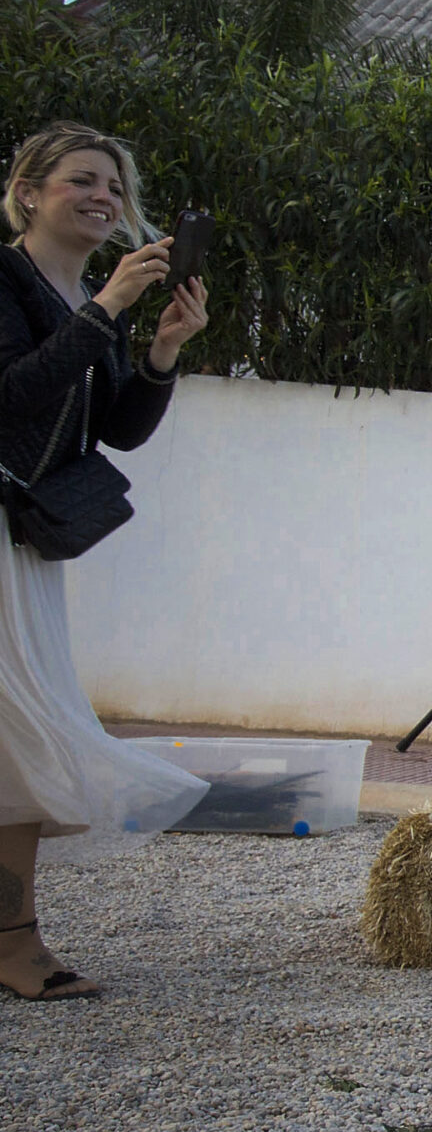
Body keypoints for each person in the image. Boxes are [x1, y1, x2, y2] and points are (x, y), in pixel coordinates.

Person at [0, 122, 212, 1000]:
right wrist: (106, 312)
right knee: (21, 735)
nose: (102, 198)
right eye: (82, 181)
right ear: (29, 192)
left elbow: (115, 426)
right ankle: (14, 944)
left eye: (114, 188)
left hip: (28, 540)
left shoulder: (86, 292)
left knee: (19, 737)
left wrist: (160, 348)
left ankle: (14, 941)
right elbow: (13, 393)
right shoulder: (10, 281)